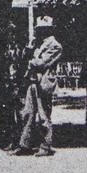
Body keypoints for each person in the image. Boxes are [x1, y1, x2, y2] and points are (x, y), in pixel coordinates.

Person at [14, 17, 64, 156]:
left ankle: (45, 146)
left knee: (43, 115)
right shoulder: (37, 44)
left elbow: (41, 63)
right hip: (32, 81)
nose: (38, 31)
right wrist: (28, 51)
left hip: (44, 83)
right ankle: (24, 144)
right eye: (38, 29)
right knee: (27, 113)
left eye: (41, 29)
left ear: (48, 30)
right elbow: (25, 58)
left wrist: (29, 60)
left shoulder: (55, 45)